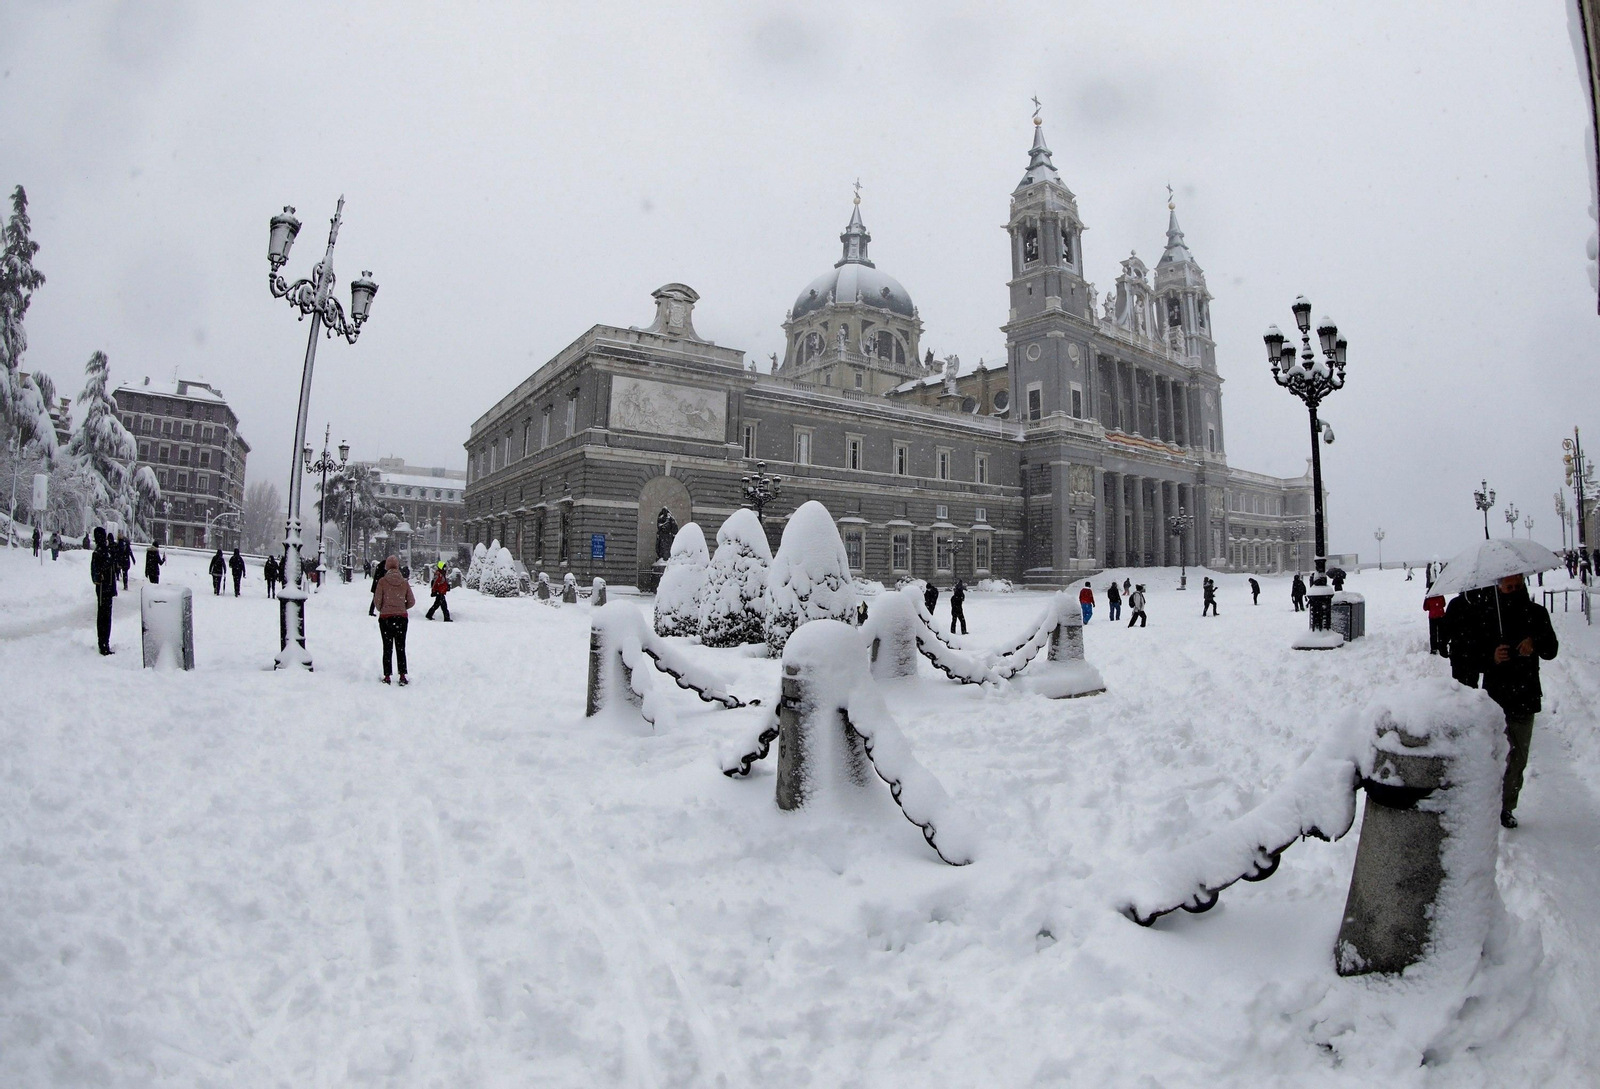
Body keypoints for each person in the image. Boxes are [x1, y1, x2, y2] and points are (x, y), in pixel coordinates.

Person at [1449, 575, 1558, 828]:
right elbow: (1470, 658)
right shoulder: (1486, 615)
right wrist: (1493, 656)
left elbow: (1551, 649)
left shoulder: (1536, 613)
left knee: (1517, 758)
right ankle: (1484, 803)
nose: (1514, 590)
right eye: (1509, 587)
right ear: (1498, 587)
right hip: (1494, 698)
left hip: (1525, 695)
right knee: (1491, 756)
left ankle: (1505, 806)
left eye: (1518, 586)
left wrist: (1535, 643)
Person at [373, 555, 415, 685]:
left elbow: (377, 601)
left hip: (386, 618)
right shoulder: (404, 582)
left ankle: (387, 676)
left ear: (386, 567)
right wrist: (402, 607)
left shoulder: (382, 582)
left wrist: (383, 609)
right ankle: (402, 675)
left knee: (387, 647)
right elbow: (412, 601)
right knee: (400, 646)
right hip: (401, 618)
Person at [90, 527, 118, 655]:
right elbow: (97, 572)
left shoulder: (105, 551)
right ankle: (103, 644)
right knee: (104, 617)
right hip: (103, 589)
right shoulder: (99, 552)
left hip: (107, 588)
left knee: (105, 616)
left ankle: (105, 642)